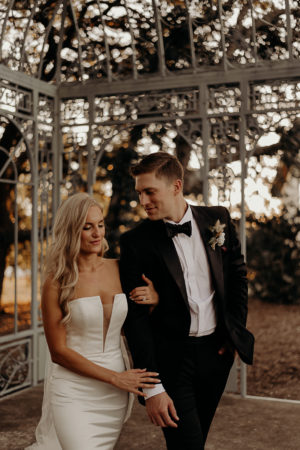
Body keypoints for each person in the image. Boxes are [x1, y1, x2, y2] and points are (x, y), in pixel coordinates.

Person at [119, 152, 254, 450]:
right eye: (139, 193)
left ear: (176, 186)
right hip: (171, 361)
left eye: (150, 191)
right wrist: (151, 388)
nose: (143, 201)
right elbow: (135, 319)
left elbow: (237, 277)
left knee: (196, 440)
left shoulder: (217, 220)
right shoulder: (135, 242)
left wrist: (232, 332)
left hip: (216, 355)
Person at [26, 193, 160, 450]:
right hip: (72, 388)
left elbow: (141, 322)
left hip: (113, 394)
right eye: (87, 227)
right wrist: (115, 378)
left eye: (100, 225)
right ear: (71, 231)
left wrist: (155, 298)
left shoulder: (121, 269)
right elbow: (58, 352)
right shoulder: (56, 282)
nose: (97, 233)